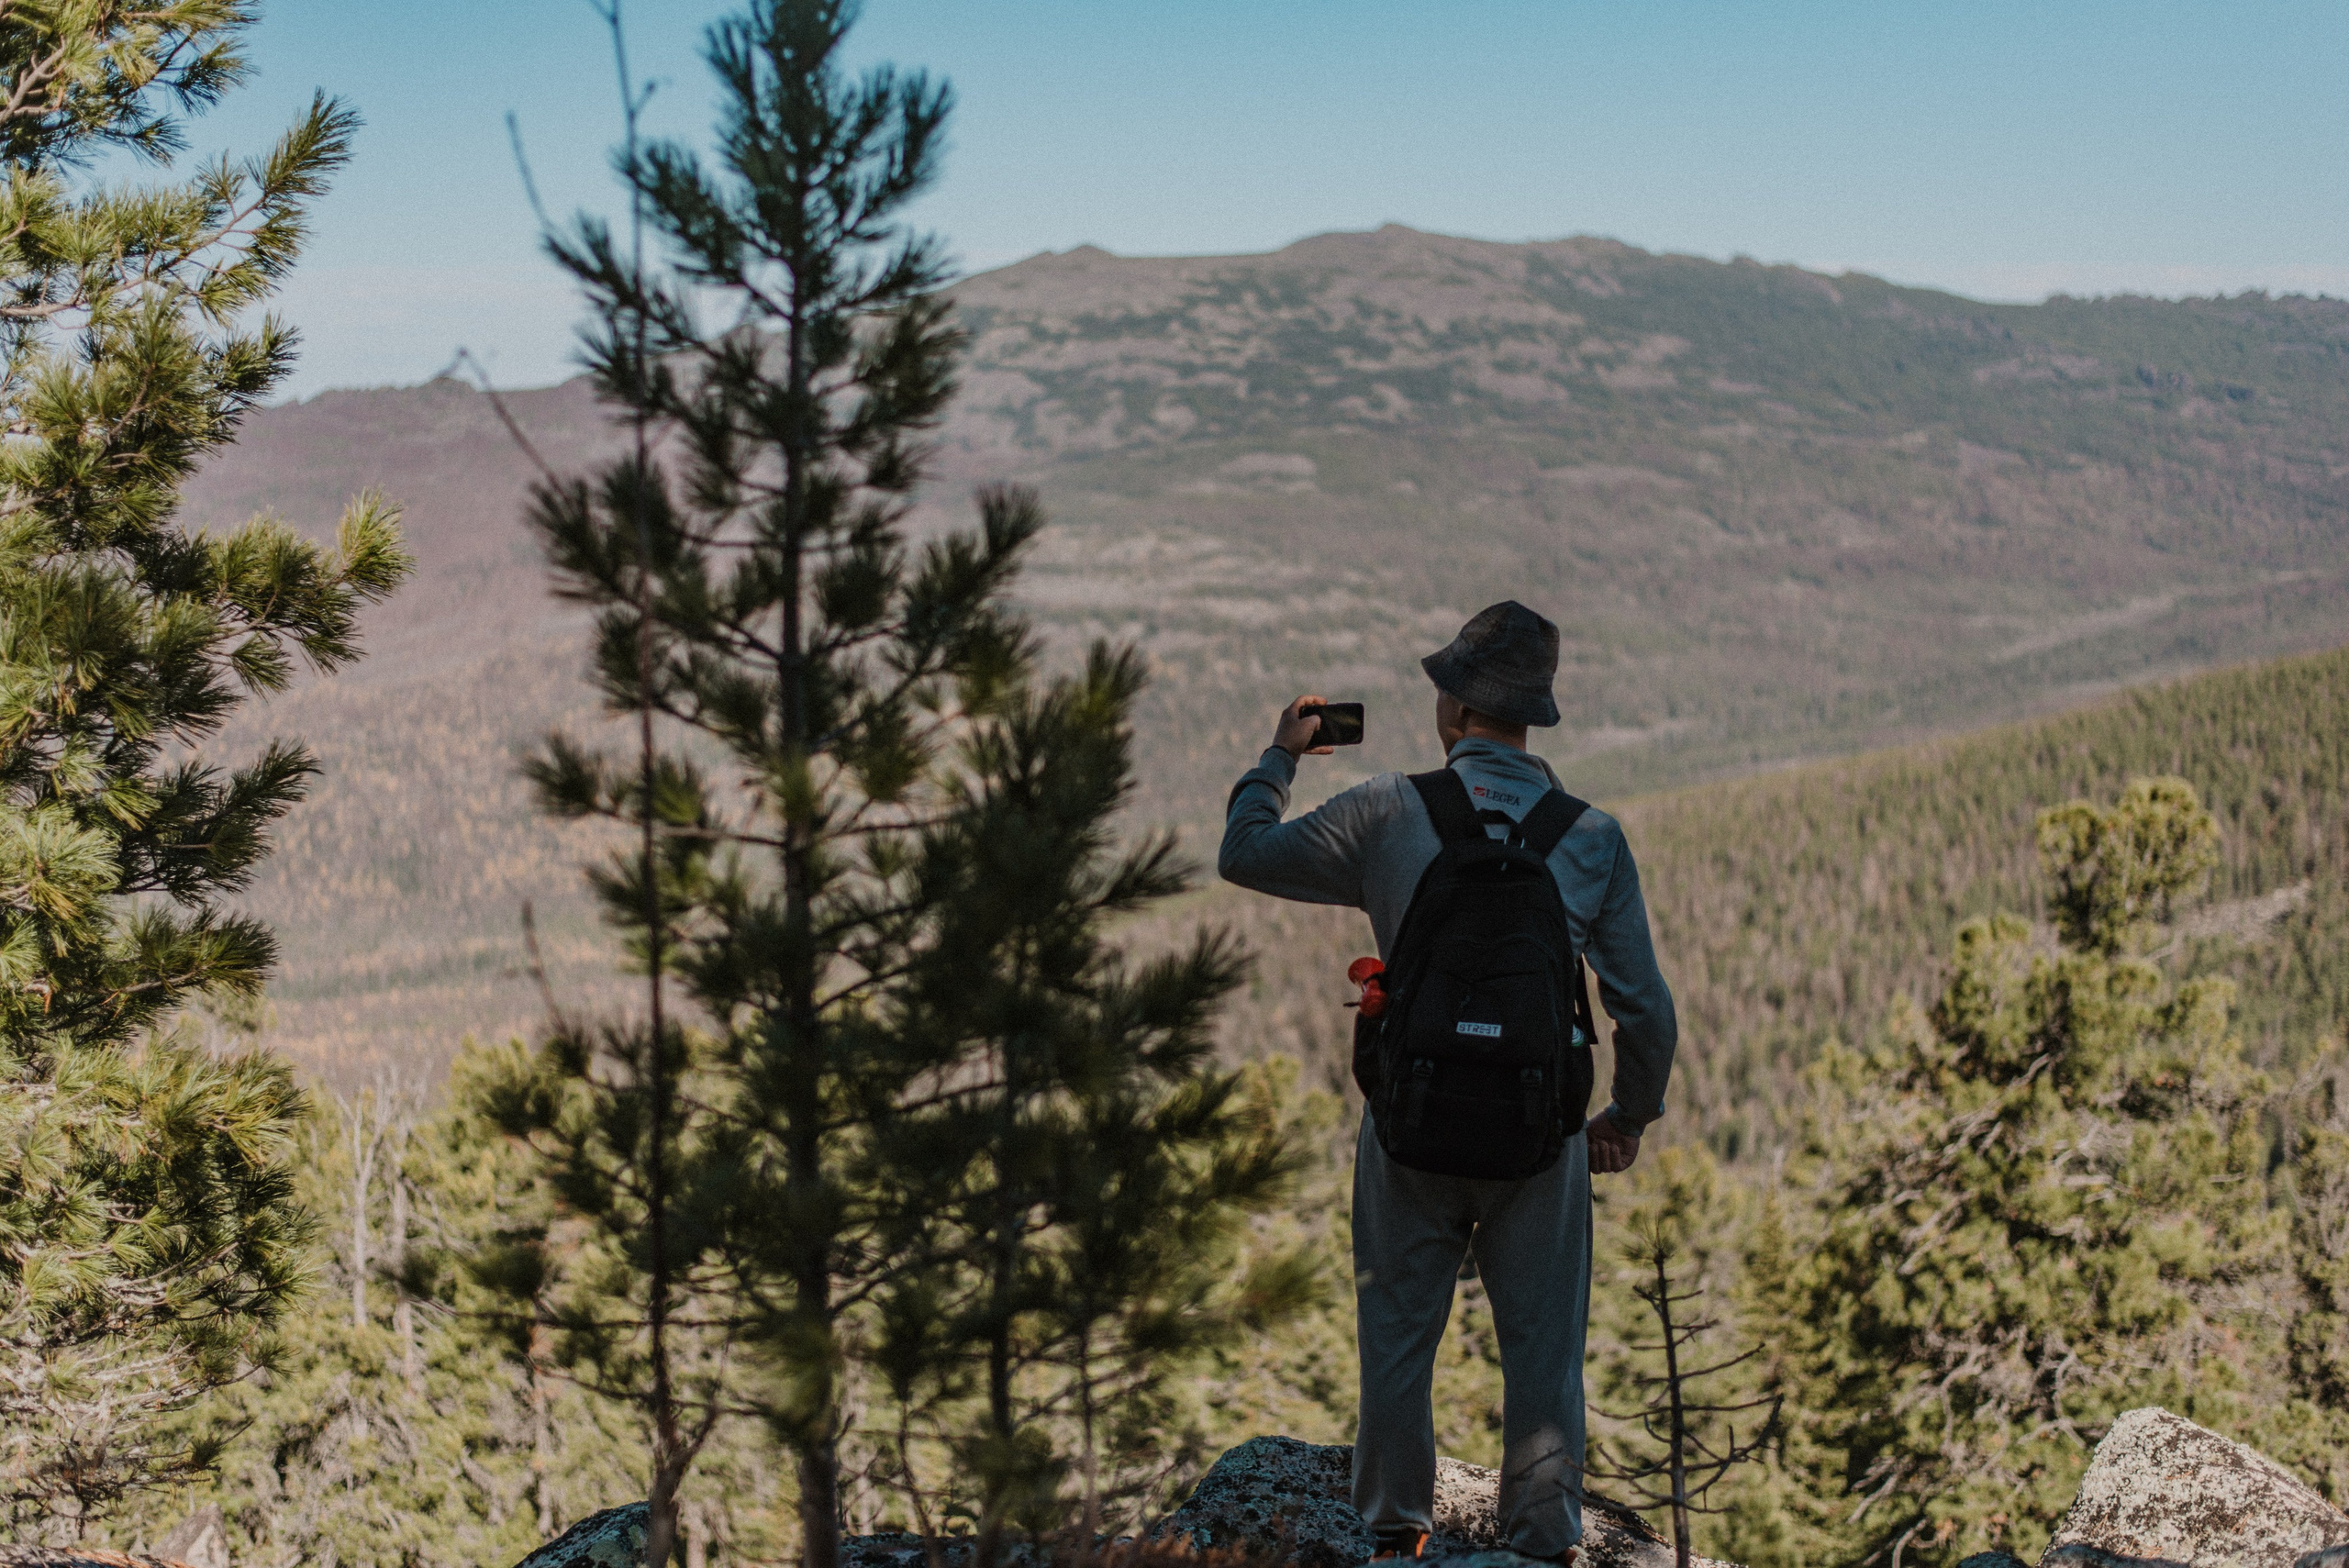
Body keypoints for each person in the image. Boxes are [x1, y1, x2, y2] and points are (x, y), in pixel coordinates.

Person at [1219, 600, 1677, 1563]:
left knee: (1396, 1341)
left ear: (1453, 707)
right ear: (1530, 715)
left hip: (1409, 1132)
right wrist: (1624, 1118)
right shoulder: (1589, 837)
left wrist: (1280, 754)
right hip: (1536, 1139)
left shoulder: (1388, 809)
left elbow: (1244, 852)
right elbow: (1646, 1011)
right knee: (1543, 1358)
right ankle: (1542, 1542)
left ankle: (1394, 1537)